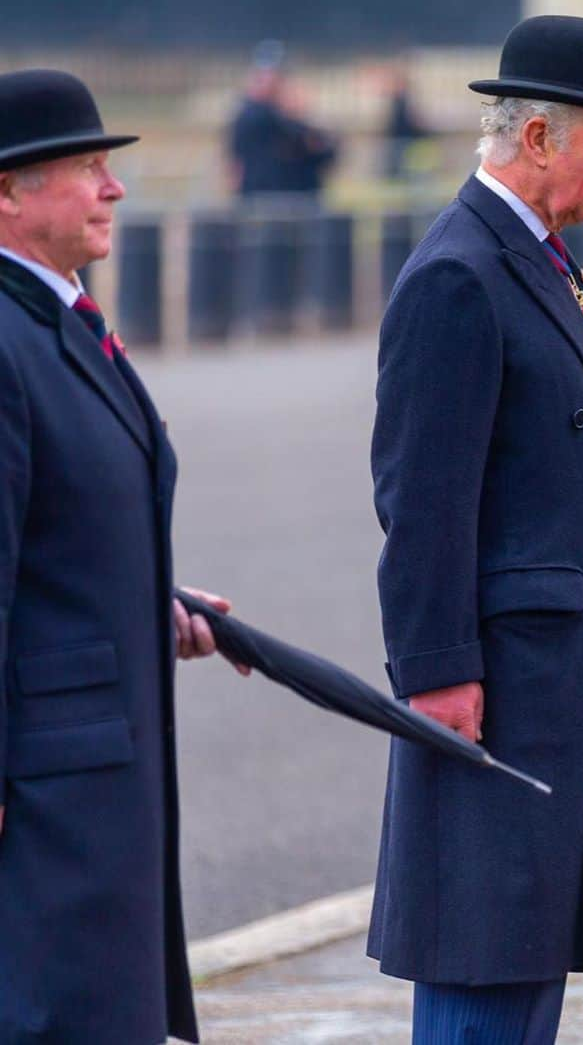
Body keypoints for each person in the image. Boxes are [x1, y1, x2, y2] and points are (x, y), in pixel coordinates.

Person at [368, 15, 583, 1044]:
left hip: (556, 669)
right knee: (484, 956)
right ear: (537, 138)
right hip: (496, 688)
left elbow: (545, 477)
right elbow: (421, 497)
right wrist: (436, 672)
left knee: (531, 952)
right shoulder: (462, 272)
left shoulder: (539, 261)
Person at [0, 68, 243, 1043]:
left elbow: (50, 524)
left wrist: (149, 595)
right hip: (46, 792)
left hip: (94, 779)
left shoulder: (54, 318)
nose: (116, 189)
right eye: (89, 169)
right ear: (9, 191)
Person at [226, 40, 339, 199]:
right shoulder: (253, 114)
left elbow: (325, 151)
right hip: (265, 202)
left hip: (297, 202)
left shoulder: (292, 118)